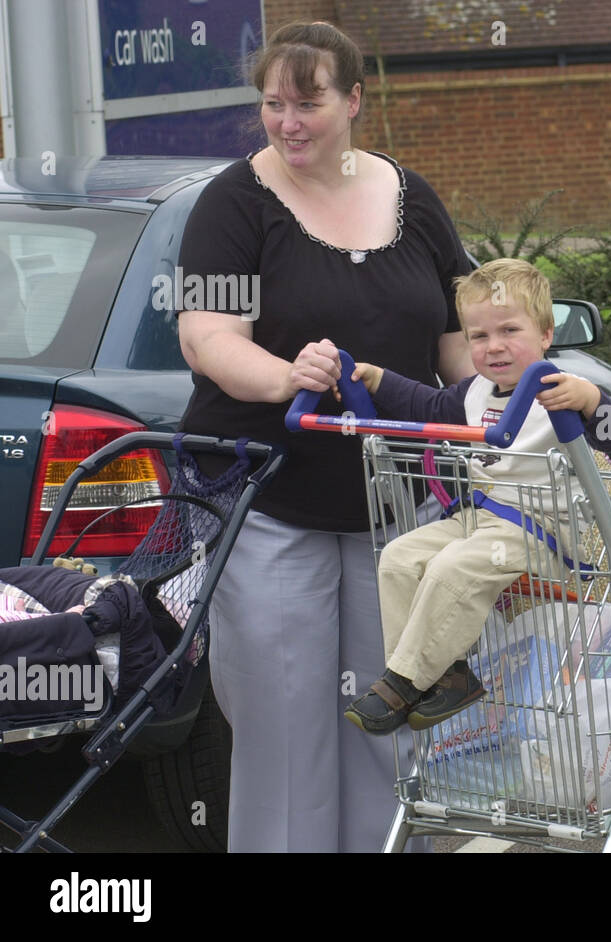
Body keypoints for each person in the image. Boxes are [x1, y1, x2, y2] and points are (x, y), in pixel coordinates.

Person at [175, 21, 475, 852]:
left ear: (354, 101)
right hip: (272, 504)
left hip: (395, 515)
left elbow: (457, 335)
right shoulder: (232, 203)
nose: (287, 122)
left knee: (390, 724)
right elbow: (206, 337)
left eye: (307, 104)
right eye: (273, 104)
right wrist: (286, 377)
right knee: (282, 729)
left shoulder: (415, 199)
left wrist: (500, 394)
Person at [343, 259, 611, 733]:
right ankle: (444, 677)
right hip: (482, 521)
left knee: (453, 568)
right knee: (397, 558)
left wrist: (592, 400)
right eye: (478, 336)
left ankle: (402, 681)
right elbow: (426, 404)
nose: (494, 347)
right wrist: (376, 380)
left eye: (509, 330)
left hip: (545, 531)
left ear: (545, 335)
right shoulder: (476, 393)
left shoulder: (560, 390)